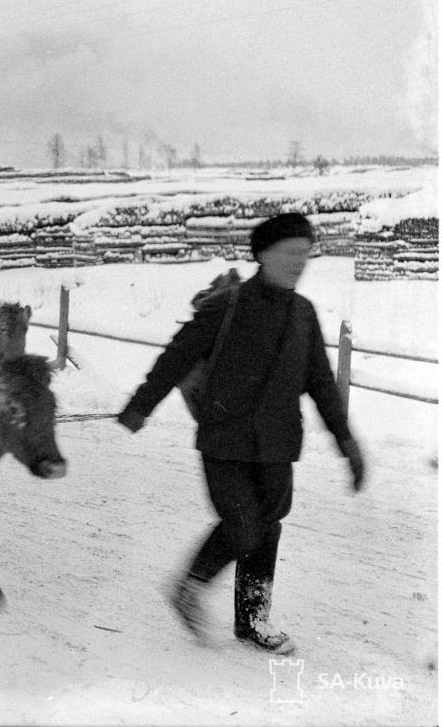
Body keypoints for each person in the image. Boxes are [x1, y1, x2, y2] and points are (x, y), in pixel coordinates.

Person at [117, 212, 366, 655]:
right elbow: (177, 356)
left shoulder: (304, 315)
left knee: (267, 527)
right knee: (243, 524)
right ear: (263, 255)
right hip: (225, 440)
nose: (299, 263)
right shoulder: (226, 306)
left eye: (305, 254)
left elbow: (322, 384)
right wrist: (141, 404)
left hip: (278, 444)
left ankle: (253, 621)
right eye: (290, 253)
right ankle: (189, 588)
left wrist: (347, 442)